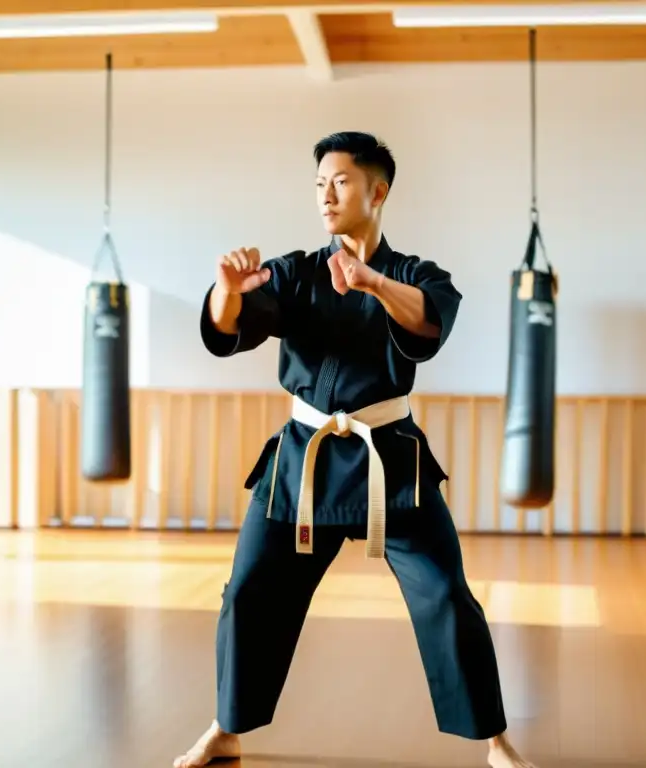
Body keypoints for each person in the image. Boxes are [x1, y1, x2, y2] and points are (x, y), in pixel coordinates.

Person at [174, 131, 535, 768]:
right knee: (248, 591)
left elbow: (429, 321)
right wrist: (227, 288)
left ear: (378, 190)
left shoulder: (417, 275)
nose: (326, 195)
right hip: (302, 457)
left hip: (390, 459)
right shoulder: (295, 272)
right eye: (319, 184)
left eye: (339, 181)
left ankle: (494, 741)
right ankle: (227, 727)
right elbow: (233, 322)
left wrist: (372, 283)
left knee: (447, 595)